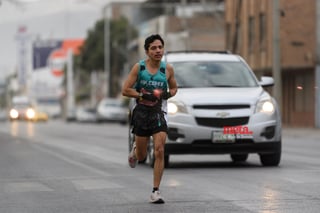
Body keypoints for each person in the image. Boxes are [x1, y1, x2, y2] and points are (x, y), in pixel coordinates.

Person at [122, 34, 178, 204]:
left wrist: (168, 94)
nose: (158, 50)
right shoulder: (138, 68)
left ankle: (155, 191)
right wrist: (141, 94)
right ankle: (135, 149)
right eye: (153, 48)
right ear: (147, 51)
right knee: (141, 155)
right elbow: (125, 90)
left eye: (160, 47)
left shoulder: (167, 69)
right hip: (141, 112)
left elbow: (175, 87)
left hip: (157, 112)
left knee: (160, 149)